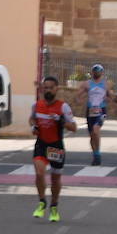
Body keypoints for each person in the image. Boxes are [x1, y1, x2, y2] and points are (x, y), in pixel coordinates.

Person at [30, 76, 77, 222]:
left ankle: (54, 206)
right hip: (41, 144)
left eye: (51, 87)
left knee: (55, 179)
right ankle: (42, 201)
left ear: (56, 89)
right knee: (39, 172)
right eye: (45, 87)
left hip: (56, 146)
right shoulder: (36, 105)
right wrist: (33, 126)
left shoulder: (63, 107)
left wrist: (60, 120)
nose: (48, 90)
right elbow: (32, 118)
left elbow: (74, 128)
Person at [77, 64, 111, 166]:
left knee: (96, 130)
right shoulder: (87, 84)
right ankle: (95, 154)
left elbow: (110, 95)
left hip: (101, 111)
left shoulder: (105, 84)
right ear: (92, 72)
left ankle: (98, 153)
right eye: (95, 71)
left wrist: (108, 99)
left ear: (102, 72)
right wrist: (79, 99)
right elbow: (78, 94)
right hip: (90, 110)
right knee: (92, 135)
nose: (96, 73)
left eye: (98, 71)